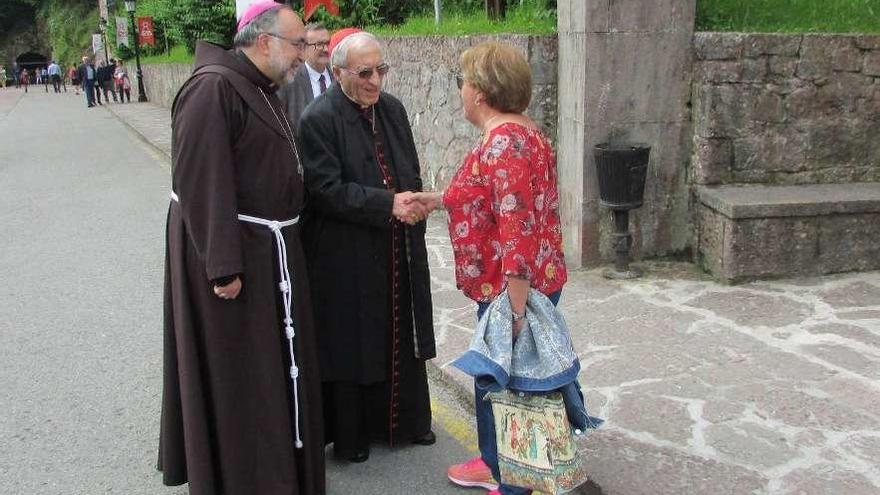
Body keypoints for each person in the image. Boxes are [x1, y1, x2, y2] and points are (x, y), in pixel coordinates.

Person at [158, 2, 325, 494]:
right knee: (244, 377)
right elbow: (200, 180)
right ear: (264, 41)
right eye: (298, 44)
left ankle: (280, 472)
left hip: (269, 250)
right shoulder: (212, 88)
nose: (304, 54)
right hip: (238, 258)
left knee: (272, 373)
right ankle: (248, 477)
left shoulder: (257, 85)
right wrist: (222, 266)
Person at [411, 42, 569, 495]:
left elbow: (517, 230)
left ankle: (513, 482)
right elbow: (492, 196)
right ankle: (496, 463)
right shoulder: (522, 134)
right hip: (517, 284)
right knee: (503, 381)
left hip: (511, 288)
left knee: (507, 385)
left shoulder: (504, 144)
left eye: (462, 82)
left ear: (479, 91)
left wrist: (516, 312)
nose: (460, 91)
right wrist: (437, 200)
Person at [297, 31, 437, 464]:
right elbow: (325, 191)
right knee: (355, 341)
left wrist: (414, 201)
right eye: (364, 72)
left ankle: (407, 423)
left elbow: (407, 168)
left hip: (396, 243)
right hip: (347, 252)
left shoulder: (391, 109)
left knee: (400, 328)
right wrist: (387, 203)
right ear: (338, 73)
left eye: (381, 70)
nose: (376, 80)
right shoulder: (317, 119)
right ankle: (355, 437)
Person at [277, 21, 333, 127]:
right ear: (304, 48)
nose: (326, 49)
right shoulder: (289, 79)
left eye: (327, 43)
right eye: (319, 44)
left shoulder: (339, 75)